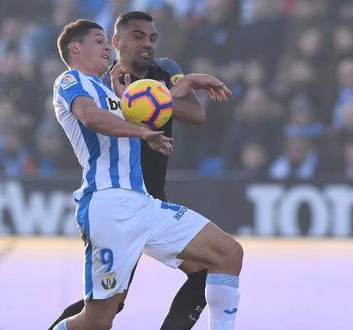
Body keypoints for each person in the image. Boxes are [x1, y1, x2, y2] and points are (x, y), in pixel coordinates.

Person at [50, 18, 243, 330]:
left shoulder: (114, 87)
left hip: (145, 204)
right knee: (99, 321)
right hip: (108, 206)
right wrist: (142, 132)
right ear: (75, 48)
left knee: (228, 253)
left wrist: (186, 83)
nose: (105, 49)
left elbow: (152, 103)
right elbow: (91, 117)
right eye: (98, 41)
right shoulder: (70, 82)